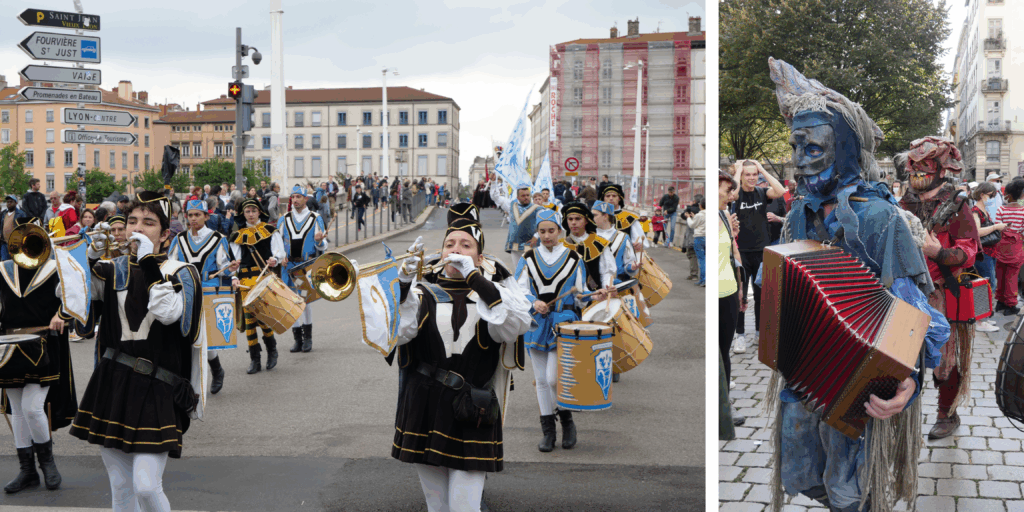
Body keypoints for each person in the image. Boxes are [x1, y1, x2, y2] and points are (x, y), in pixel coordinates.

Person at [765, 57, 950, 512]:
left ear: (846, 149)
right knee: (800, 473)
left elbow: (912, 313)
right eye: (795, 147)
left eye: (813, 147)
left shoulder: (881, 217)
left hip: (859, 384)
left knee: (848, 490)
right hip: (803, 371)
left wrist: (909, 382)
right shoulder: (798, 215)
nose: (799, 161)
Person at [71, 191, 206, 512]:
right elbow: (82, 316)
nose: (137, 228)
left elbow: (169, 314)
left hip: (159, 386)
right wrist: (85, 260)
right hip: (113, 382)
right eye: (132, 221)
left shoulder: (182, 271)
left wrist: (147, 262)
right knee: (120, 488)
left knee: (146, 487)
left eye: (148, 223)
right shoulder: (112, 268)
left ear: (165, 234)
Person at [392, 217, 532, 512]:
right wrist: (402, 285)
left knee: (464, 508)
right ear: (441, 253)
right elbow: (398, 333)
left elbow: (515, 325)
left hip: (472, 409)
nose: (456, 250)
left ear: (480, 258)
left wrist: (475, 279)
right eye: (450, 244)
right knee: (437, 506)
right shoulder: (421, 293)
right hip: (424, 405)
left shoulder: (496, 296)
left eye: (466, 245)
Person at [898, 136, 981, 440]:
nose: (917, 170)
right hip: (906, 291)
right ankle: (899, 406)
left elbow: (969, 250)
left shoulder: (958, 204)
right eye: (914, 164)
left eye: (926, 164)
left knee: (946, 360)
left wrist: (939, 253)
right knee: (900, 354)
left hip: (943, 293)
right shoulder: (904, 201)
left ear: (941, 168)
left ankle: (947, 413)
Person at [0, 217, 78, 493]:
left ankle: (48, 463)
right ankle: (27, 470)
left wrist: (62, 314)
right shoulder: (3, 269)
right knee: (17, 410)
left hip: (42, 345)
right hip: (9, 346)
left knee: (33, 408)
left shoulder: (55, 268)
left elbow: (74, 297)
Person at [515, 209, 587, 453]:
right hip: (537, 322)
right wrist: (533, 302)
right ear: (537, 232)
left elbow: (581, 295)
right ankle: (548, 431)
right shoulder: (528, 258)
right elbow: (519, 290)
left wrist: (592, 296)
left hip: (563, 323)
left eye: (551, 231)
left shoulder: (574, 258)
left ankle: (567, 421)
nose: (546, 236)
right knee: (541, 380)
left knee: (553, 378)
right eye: (542, 231)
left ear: (559, 231)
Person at [167, 199, 239, 394]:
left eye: (197, 215)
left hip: (208, 292)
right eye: (190, 215)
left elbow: (224, 267)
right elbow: (170, 265)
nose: (193, 219)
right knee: (185, 336)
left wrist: (231, 271)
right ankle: (190, 379)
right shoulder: (179, 239)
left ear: (206, 217)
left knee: (204, 336)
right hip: (185, 292)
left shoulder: (218, 239)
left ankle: (216, 370)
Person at [729, 159, 785, 354]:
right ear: (741, 176)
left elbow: (780, 191)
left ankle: (760, 333)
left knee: (762, 296)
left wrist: (762, 169)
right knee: (741, 295)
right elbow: (733, 194)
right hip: (742, 251)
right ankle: (740, 335)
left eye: (755, 174)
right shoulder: (736, 194)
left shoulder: (762, 193)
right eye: (748, 174)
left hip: (762, 250)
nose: (752, 178)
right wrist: (738, 171)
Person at [229, 198, 286, 374]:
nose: (251, 214)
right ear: (243, 214)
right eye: (247, 211)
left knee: (263, 317)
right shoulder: (237, 236)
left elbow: (280, 252)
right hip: (245, 282)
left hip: (263, 280)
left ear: (259, 212)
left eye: (254, 211)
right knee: (249, 320)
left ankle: (272, 350)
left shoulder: (269, 230)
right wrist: (233, 276)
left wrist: (274, 259)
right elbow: (233, 261)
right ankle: (255, 358)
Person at [279, 186, 327, 353]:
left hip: (305, 267)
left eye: (299, 196)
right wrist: (280, 256)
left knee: (305, 301)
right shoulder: (284, 219)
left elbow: (323, 245)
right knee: (292, 302)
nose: (295, 200)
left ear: (306, 199)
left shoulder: (315, 218)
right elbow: (277, 243)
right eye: (293, 197)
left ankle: (308, 338)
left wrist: (319, 241)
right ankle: (297, 339)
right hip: (288, 267)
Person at [717, 170, 746, 426]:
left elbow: (733, 253)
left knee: (724, 353)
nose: (731, 196)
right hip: (712, 295)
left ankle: (724, 408)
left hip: (727, 293)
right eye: (727, 190)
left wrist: (740, 287)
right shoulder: (706, 217)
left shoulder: (725, 216)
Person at [971, 181, 1004, 333]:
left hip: (989, 252)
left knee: (989, 284)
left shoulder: (983, 209)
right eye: (991, 196)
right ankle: (980, 321)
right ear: (982, 194)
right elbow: (977, 231)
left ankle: (984, 316)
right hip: (983, 254)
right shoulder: (976, 211)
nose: (991, 199)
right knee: (985, 285)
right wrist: (996, 227)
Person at [490, 179, 541, 271]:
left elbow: (544, 224)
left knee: (532, 271)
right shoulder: (511, 205)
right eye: (523, 196)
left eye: (527, 195)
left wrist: (536, 236)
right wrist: (493, 183)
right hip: (515, 246)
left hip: (531, 246)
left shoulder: (538, 209)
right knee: (519, 272)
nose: (526, 197)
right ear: (518, 197)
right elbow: (496, 197)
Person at [598, 184, 645, 254]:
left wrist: (639, 245)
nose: (611, 198)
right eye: (608, 196)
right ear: (603, 198)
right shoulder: (596, 217)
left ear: (619, 198)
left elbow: (641, 241)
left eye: (614, 196)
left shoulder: (630, 218)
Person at [687, 200, 706, 287]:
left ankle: (703, 279)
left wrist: (688, 217)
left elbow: (692, 225)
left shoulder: (699, 215)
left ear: (700, 205)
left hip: (699, 238)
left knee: (702, 260)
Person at [1, 195, 24, 261]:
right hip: (4, 243)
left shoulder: (21, 214)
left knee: (15, 263)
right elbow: (1, 226)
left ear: (16, 203)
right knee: (4, 263)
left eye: (11, 202)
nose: (9, 203)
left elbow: (24, 228)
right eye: (7, 202)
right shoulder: (4, 213)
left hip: (15, 244)